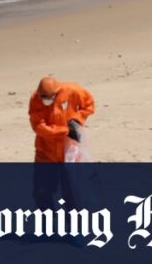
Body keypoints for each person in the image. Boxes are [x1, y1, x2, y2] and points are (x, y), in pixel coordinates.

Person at [28, 76, 96, 210]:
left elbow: (89, 104)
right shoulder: (36, 99)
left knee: (71, 191)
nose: (46, 100)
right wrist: (65, 130)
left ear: (57, 92)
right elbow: (38, 126)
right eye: (43, 97)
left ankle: (72, 222)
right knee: (41, 191)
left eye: (49, 97)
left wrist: (76, 120)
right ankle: (47, 221)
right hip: (46, 153)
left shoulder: (72, 90)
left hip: (69, 153)